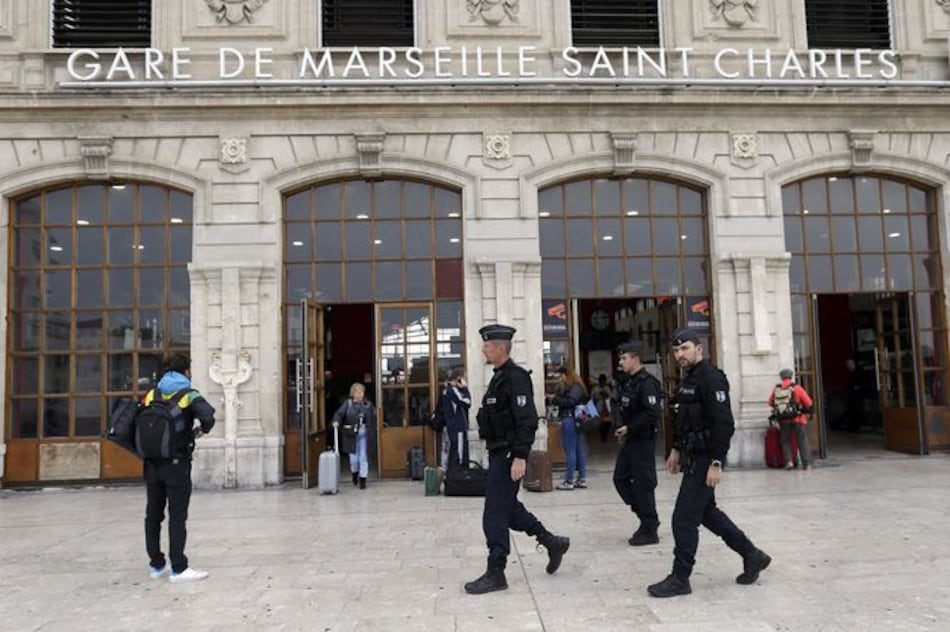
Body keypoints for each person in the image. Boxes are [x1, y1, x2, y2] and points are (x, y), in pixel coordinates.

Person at [647, 327, 771, 598]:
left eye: (685, 349)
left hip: (706, 458)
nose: (680, 354)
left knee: (683, 519)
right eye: (676, 350)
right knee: (707, 514)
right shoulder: (688, 379)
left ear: (698, 349)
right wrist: (676, 449)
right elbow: (685, 420)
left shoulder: (711, 378)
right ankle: (753, 555)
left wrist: (717, 462)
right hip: (692, 455)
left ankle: (681, 578)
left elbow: (724, 423)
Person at [464, 323, 570, 595]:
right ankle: (552, 542)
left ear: (500, 348)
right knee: (509, 509)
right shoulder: (499, 377)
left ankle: (496, 572)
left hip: (510, 454)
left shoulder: (516, 377)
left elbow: (527, 421)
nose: (483, 349)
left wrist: (520, 456)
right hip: (499, 452)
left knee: (494, 514)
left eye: (487, 345)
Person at [144, 352, 216, 584]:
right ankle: (179, 567)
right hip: (177, 463)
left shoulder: (152, 393)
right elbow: (209, 416)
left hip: (152, 463)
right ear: (186, 371)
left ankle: (156, 564)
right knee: (177, 516)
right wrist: (200, 430)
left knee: (153, 514)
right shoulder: (188, 394)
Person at [613, 341, 662, 546]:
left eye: (624, 358)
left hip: (642, 441)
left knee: (643, 484)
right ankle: (644, 515)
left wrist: (630, 428)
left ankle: (649, 527)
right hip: (630, 441)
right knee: (620, 479)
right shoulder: (629, 382)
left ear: (635, 358)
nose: (621, 362)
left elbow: (652, 413)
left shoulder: (647, 382)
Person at [547, 365, 588, 490]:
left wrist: (555, 398)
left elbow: (569, 402)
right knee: (579, 450)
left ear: (567, 375)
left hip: (570, 420)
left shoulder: (575, 387)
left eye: (561, 376)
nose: (560, 379)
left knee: (570, 450)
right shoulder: (578, 386)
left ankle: (569, 481)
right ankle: (581, 479)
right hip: (578, 420)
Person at [768, 368, 814, 470]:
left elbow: (770, 402)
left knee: (785, 441)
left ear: (781, 377)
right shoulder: (796, 388)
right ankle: (807, 464)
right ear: (791, 376)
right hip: (798, 418)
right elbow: (809, 402)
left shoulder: (777, 389)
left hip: (784, 420)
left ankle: (789, 462)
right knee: (802, 441)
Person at [332, 383, 376, 489]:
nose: (361, 394)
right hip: (350, 435)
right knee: (353, 459)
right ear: (353, 393)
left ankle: (363, 480)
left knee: (363, 457)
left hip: (364, 434)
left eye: (362, 392)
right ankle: (355, 473)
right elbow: (338, 414)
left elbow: (374, 417)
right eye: (358, 392)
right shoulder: (348, 404)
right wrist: (336, 421)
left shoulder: (368, 405)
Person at [440, 367, 472, 467]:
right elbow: (467, 403)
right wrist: (465, 389)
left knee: (452, 452)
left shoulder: (446, 390)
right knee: (458, 454)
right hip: (457, 427)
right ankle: (458, 474)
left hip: (450, 425)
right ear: (459, 378)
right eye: (464, 378)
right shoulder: (453, 390)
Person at [591, 374, 613, 442]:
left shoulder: (607, 388)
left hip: (607, 406)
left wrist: (606, 394)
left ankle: (605, 434)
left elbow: (611, 396)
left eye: (604, 381)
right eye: (601, 381)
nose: (602, 382)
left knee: (608, 422)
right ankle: (602, 435)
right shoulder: (595, 388)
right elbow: (592, 397)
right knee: (600, 422)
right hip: (599, 406)